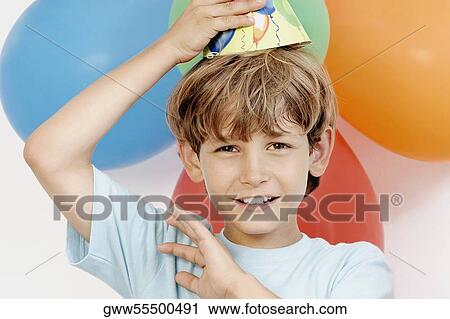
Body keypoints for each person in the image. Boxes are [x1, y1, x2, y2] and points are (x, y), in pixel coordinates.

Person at [23, 0, 394, 298]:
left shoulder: (354, 270)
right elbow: (51, 154)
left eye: (278, 144)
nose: (253, 174)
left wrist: (234, 289)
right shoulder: (163, 255)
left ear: (317, 151)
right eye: (228, 148)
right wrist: (171, 48)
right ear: (191, 159)